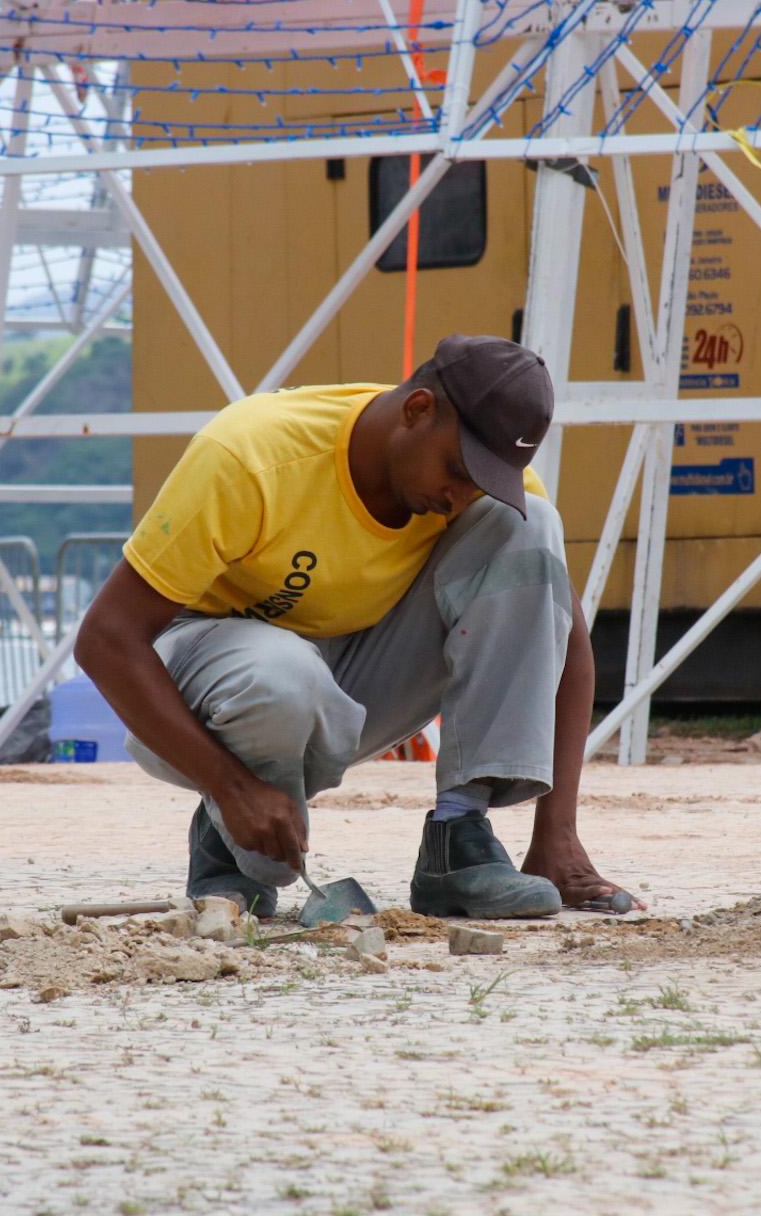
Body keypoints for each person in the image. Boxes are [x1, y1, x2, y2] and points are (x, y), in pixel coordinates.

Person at [75, 334, 637, 918]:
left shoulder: (474, 497)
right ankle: (227, 840)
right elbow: (106, 639)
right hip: (208, 684)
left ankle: (458, 837)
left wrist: (558, 838)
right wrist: (232, 788)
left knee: (529, 524)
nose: (460, 495)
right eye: (458, 468)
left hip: (345, 678)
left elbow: (567, 646)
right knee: (281, 674)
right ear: (418, 411)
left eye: (486, 478)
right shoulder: (253, 453)